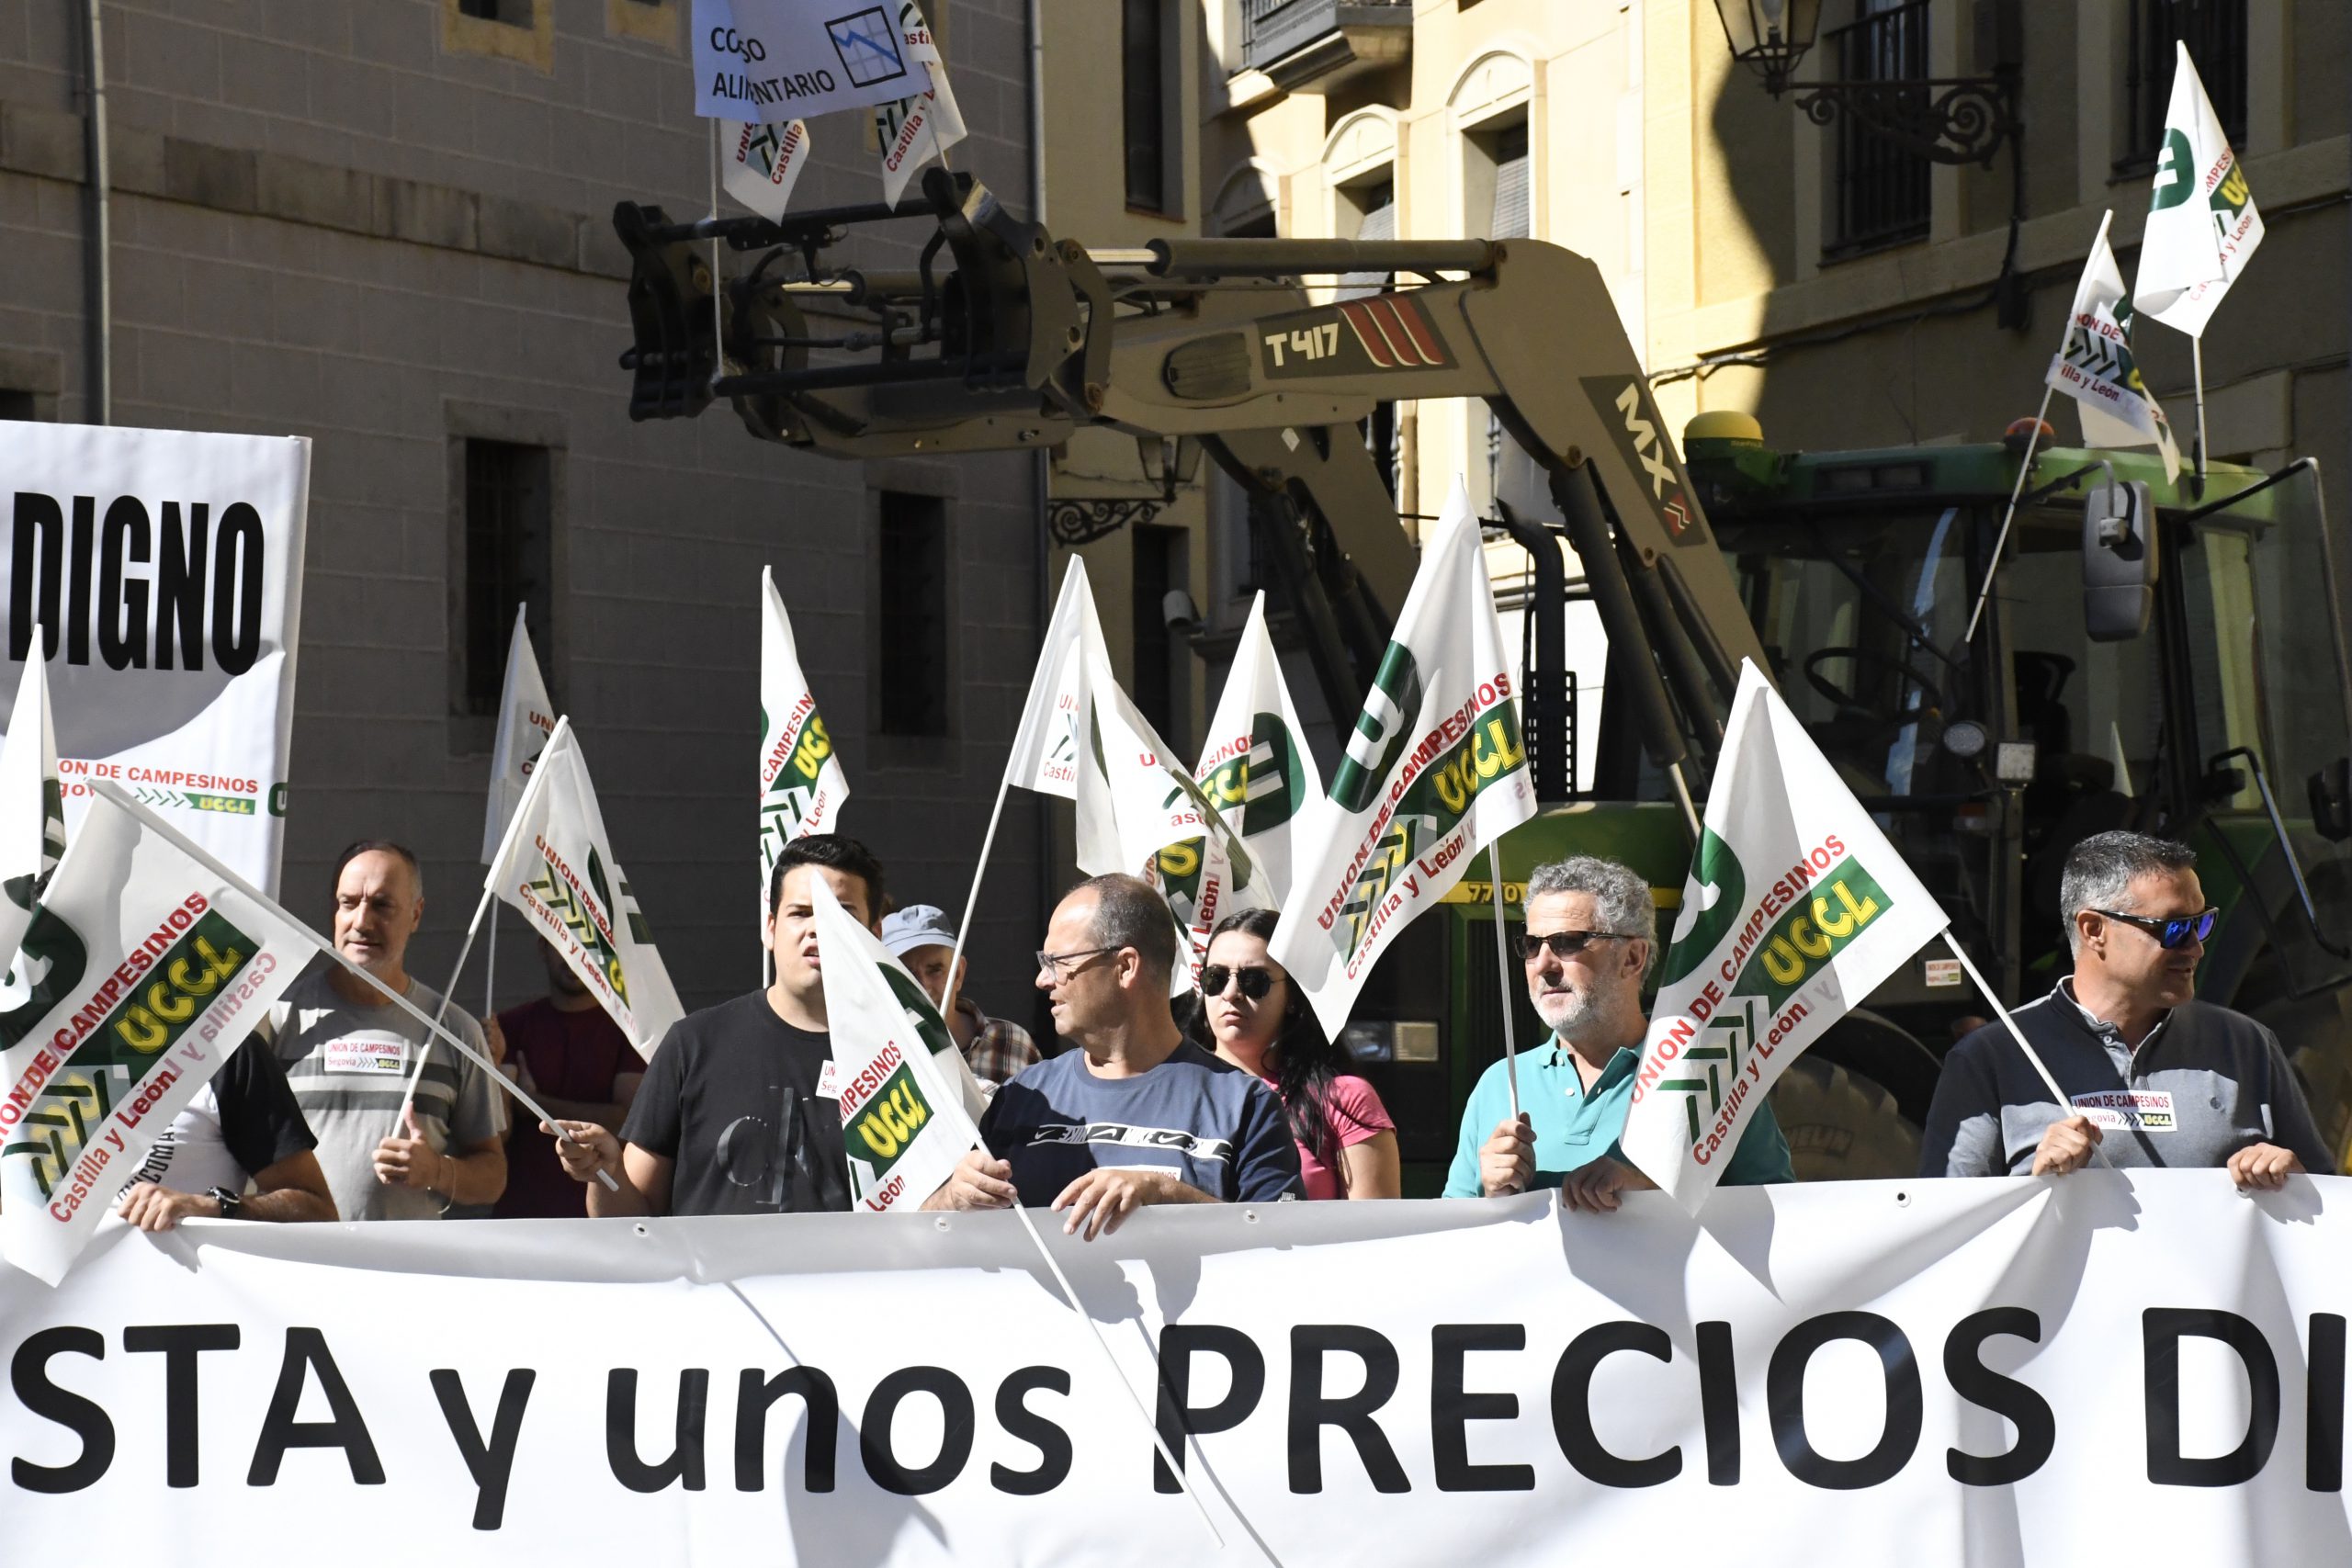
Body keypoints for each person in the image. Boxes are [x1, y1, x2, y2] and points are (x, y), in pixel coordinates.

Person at [1921, 830, 2330, 1186]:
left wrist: (2293, 1180)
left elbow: (2328, 1211)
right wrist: (2035, 1189)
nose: (2196, 947)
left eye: (2202, 923)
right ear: (2094, 930)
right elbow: (1948, 1228)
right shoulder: (1991, 1058)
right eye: (2174, 928)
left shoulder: (2248, 1044)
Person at [925, 874, 1304, 1237]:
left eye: (1058, 962)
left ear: (1125, 967)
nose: (1042, 980)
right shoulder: (1022, 1096)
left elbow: (1285, 1254)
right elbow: (923, 1237)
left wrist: (1165, 1194)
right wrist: (953, 1199)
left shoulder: (1247, 1105)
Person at [548, 834, 885, 1216]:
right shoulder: (692, 1045)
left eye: (841, 914)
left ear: (874, 935)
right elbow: (632, 1221)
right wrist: (605, 1175)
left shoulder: (906, 1059)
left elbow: (930, 1218)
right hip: (712, 1279)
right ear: (770, 928)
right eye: (800, 912)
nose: (817, 928)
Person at [1443, 855, 1793, 1209]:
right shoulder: (1499, 1083)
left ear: (1633, 958)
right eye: (1532, 945)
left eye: (1568, 942)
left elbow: (1780, 1218)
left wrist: (1648, 1192)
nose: (1544, 965)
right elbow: (1451, 1239)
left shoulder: (1710, 1072)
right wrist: (1490, 1196)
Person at [265, 840, 508, 1221]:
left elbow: (493, 1175)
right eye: (348, 903)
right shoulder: (278, 1019)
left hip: (403, 1273)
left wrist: (438, 1171)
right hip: (298, 1267)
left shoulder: (454, 1032)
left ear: (416, 914)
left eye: (382, 905)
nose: (361, 921)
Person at [1190, 908, 1398, 1200]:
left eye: (1254, 980)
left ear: (1292, 997)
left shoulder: (1345, 1100)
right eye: (1216, 977)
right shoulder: (1165, 1088)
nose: (1231, 993)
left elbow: (1376, 1234)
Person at [488, 934, 647, 1219]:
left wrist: (531, 1103)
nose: (574, 954)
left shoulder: (630, 1033)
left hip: (601, 1221)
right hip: (521, 1221)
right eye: (564, 941)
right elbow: (496, 1135)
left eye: (587, 945)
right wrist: (490, 1066)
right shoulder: (509, 1028)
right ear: (543, 947)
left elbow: (628, 1123)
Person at [114, 1038, 339, 1231]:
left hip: (187, 1278)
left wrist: (208, 1206)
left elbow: (317, 1211)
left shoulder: (228, 1049)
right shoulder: (78, 1051)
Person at [881, 902, 1042, 1091]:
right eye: (907, 973)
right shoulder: (874, 1055)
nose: (923, 986)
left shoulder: (1013, 1042)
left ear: (958, 973)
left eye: (935, 970)